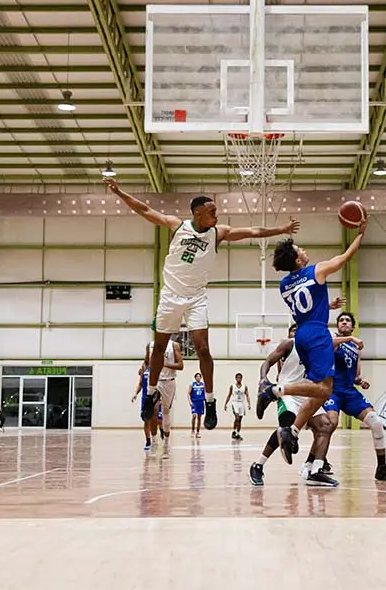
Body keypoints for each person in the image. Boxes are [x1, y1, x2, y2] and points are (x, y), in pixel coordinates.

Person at [107, 179, 300, 426]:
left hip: (196, 297)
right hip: (170, 296)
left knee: (203, 349)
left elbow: (253, 231)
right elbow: (145, 210)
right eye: (212, 211)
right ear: (198, 213)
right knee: (158, 348)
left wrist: (281, 230)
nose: (216, 215)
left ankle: (210, 402)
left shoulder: (218, 233)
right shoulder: (177, 226)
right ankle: (150, 392)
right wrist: (120, 192)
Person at [256, 218, 367, 458]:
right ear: (297, 259)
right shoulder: (316, 270)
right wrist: (360, 234)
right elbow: (345, 257)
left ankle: (293, 431)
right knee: (325, 389)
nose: (303, 251)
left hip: (302, 334)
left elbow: (304, 306)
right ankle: (276, 390)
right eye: (299, 250)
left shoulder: (284, 284)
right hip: (318, 334)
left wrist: (326, 305)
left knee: (319, 392)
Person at [250, 323, 338, 487]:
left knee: (326, 425)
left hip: (308, 393)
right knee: (285, 429)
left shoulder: (316, 348)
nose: (298, 333)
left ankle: (316, 471)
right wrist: (263, 379)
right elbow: (267, 362)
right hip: (288, 394)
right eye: (294, 331)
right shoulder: (289, 344)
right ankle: (258, 465)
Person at [323, 311, 386, 482]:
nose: (344, 323)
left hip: (349, 391)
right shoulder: (333, 338)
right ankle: (320, 460)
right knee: (330, 423)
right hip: (332, 389)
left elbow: (356, 375)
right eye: (341, 320)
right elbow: (330, 345)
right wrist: (350, 339)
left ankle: (382, 468)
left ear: (353, 326)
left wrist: (361, 381)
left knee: (376, 422)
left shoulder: (356, 348)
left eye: (347, 321)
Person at [141, 337, 184, 458]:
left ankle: (166, 445)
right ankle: (154, 443)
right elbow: (146, 362)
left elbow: (181, 365)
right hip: (155, 381)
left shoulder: (174, 345)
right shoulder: (150, 345)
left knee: (165, 412)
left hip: (169, 382)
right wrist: (143, 368)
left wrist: (164, 363)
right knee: (153, 411)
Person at [132, 367, 158, 451]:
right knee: (146, 420)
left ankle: (155, 438)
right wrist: (135, 394)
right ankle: (148, 441)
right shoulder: (144, 370)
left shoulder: (157, 368)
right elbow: (140, 384)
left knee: (155, 419)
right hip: (145, 398)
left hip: (154, 398)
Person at [224, 373, 250, 441]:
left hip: (241, 403)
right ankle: (234, 430)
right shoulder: (232, 386)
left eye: (240, 378)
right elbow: (229, 395)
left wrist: (249, 404)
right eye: (237, 378)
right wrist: (225, 404)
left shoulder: (244, 387)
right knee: (237, 417)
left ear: (242, 378)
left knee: (240, 420)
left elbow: (247, 395)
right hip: (235, 403)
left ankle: (237, 433)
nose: (239, 379)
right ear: (235, 378)